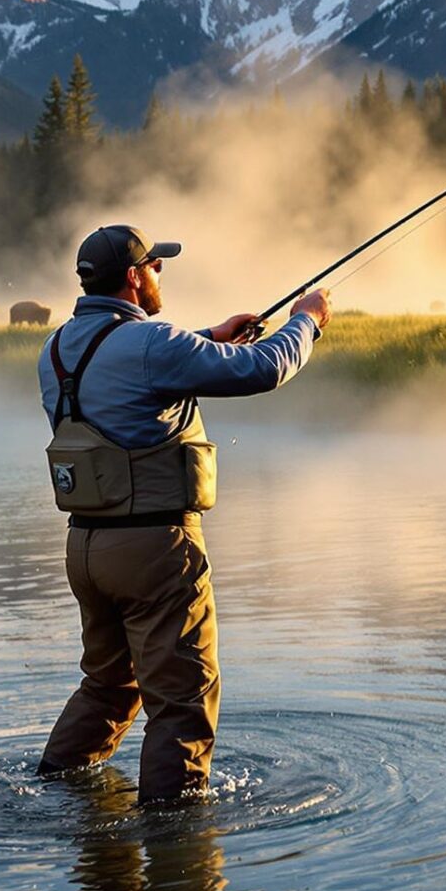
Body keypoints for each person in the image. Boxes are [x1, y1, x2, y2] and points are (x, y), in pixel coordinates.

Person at [35, 224, 329, 800]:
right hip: (155, 550)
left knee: (110, 686)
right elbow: (262, 370)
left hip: (87, 549)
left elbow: (130, 366)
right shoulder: (152, 343)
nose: (159, 274)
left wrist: (214, 337)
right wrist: (307, 322)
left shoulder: (57, 350)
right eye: (155, 266)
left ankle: (52, 792)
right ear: (133, 276)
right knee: (183, 702)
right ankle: (177, 840)